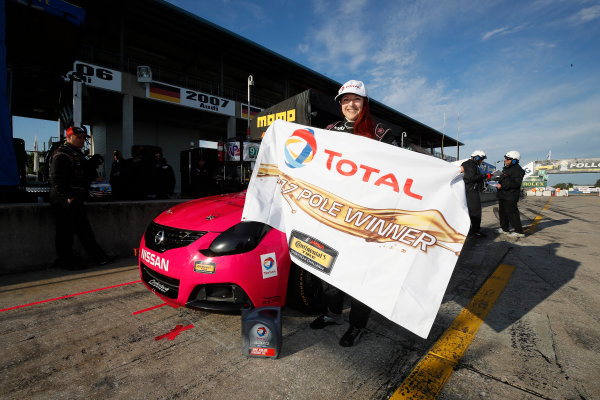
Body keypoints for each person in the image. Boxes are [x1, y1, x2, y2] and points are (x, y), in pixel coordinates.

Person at [310, 80, 400, 347]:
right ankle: (332, 314)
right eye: (345, 100)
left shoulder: (382, 133)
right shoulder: (329, 131)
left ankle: (357, 324)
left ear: (365, 103)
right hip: (334, 214)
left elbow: (406, 170)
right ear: (340, 105)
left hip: (366, 218)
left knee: (362, 275)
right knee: (328, 269)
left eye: (356, 99)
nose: (351, 104)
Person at [49, 126, 111, 270]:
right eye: (79, 137)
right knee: (66, 232)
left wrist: (92, 164)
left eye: (84, 138)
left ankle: (99, 257)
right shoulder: (62, 154)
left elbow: (83, 174)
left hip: (75, 197)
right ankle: (66, 261)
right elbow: (56, 179)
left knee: (84, 230)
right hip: (64, 199)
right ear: (69, 138)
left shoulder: (77, 154)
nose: (83, 140)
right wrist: (68, 196)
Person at [496, 150, 526, 238]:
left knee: (512, 213)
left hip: (511, 196)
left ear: (514, 160)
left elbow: (516, 183)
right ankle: (505, 229)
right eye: (505, 158)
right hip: (503, 195)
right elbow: (504, 179)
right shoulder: (506, 169)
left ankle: (519, 231)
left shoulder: (518, 170)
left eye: (507, 159)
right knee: (503, 213)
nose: (505, 160)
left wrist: (502, 186)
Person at [460, 150, 488, 237]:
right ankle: (475, 231)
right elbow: (471, 178)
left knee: (471, 211)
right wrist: (484, 175)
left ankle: (472, 229)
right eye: (481, 159)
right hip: (470, 191)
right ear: (477, 158)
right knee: (475, 211)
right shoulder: (469, 164)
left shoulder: (471, 164)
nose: (482, 161)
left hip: (470, 190)